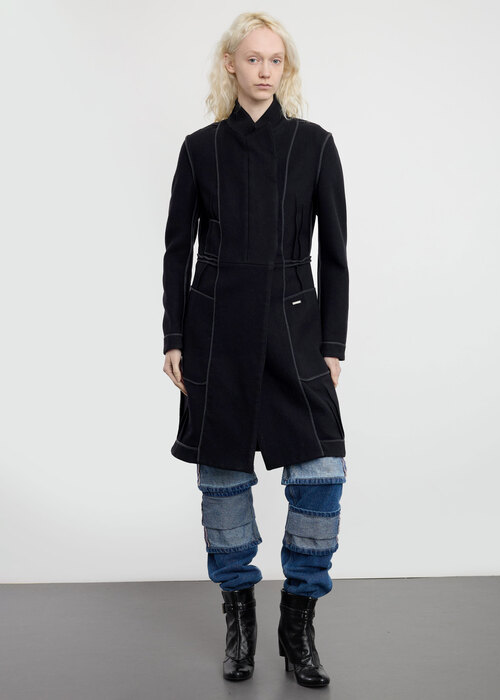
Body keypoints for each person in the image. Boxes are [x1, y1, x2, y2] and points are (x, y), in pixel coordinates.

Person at [162, 11, 349, 689]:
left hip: (294, 326)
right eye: (252, 58)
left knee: (321, 472)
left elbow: (335, 254)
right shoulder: (199, 149)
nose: (264, 70)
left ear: (284, 68)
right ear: (230, 65)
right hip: (215, 329)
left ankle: (298, 623)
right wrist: (174, 337)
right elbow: (176, 250)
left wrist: (332, 343)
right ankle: (238, 621)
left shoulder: (314, 145)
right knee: (222, 477)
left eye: (275, 59)